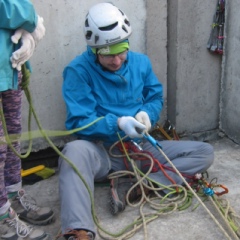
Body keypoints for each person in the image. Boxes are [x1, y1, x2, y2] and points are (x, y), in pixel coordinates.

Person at [59, 2, 214, 240]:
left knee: (204, 152)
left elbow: (153, 97)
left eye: (121, 50)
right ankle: (78, 229)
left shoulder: (141, 63)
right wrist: (117, 123)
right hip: (103, 152)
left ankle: (140, 185)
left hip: (142, 148)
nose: (117, 61)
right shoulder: (78, 71)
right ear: (93, 50)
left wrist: (147, 116)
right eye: (108, 55)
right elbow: (80, 121)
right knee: (73, 152)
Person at [0, 1, 54, 239]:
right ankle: (2, 217)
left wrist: (26, 53)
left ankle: (12, 196)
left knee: (12, 140)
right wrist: (30, 18)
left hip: (9, 68)